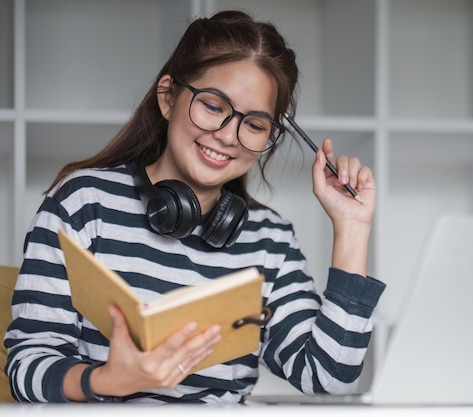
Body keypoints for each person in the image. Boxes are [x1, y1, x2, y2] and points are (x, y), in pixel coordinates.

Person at [3, 10, 384, 404]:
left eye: (254, 125)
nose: (227, 137)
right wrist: (107, 380)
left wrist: (352, 228)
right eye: (214, 106)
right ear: (168, 97)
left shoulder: (270, 240)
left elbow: (328, 379)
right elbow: (26, 367)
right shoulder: (83, 203)